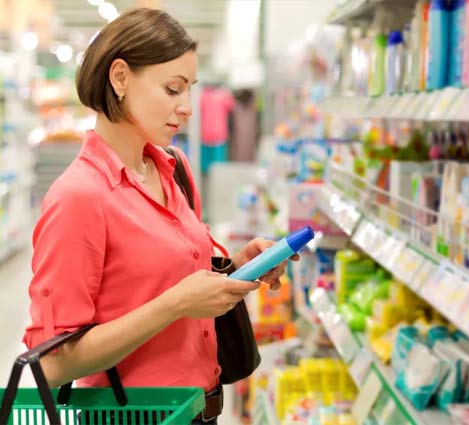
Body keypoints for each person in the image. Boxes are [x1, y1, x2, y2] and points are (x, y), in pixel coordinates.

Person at [22, 8, 294, 424]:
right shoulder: (80, 197)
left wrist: (238, 268)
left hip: (200, 410)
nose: (186, 107)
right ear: (120, 78)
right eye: (172, 89)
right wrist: (175, 305)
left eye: (190, 90)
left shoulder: (174, 169)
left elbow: (165, 276)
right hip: (134, 417)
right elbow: (53, 364)